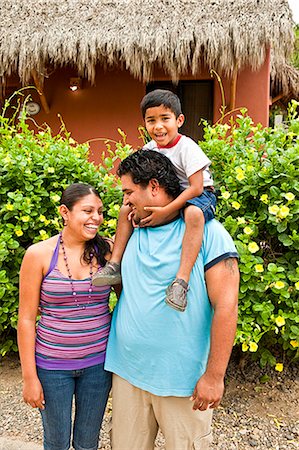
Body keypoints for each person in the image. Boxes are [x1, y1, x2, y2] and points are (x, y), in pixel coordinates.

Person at [104, 150, 239, 450]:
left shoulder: (208, 233)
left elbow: (227, 307)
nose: (125, 201)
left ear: (153, 186)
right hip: (128, 373)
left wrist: (215, 377)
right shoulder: (133, 229)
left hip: (183, 382)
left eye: (129, 192)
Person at [93, 89, 216, 313]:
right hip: (173, 195)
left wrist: (166, 210)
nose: (158, 127)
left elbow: (197, 187)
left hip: (199, 195)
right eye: (151, 121)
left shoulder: (187, 148)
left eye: (165, 119)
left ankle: (181, 281)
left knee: (193, 214)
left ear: (179, 120)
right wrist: (131, 200)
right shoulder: (150, 149)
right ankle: (115, 264)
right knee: (124, 210)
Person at [17, 183, 113, 450]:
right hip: (52, 368)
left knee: (87, 443)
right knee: (56, 443)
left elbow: (128, 296)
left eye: (100, 211)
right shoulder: (38, 254)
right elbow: (26, 319)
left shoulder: (106, 251)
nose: (96, 218)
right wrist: (29, 378)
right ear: (65, 212)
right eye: (87, 211)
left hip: (98, 366)